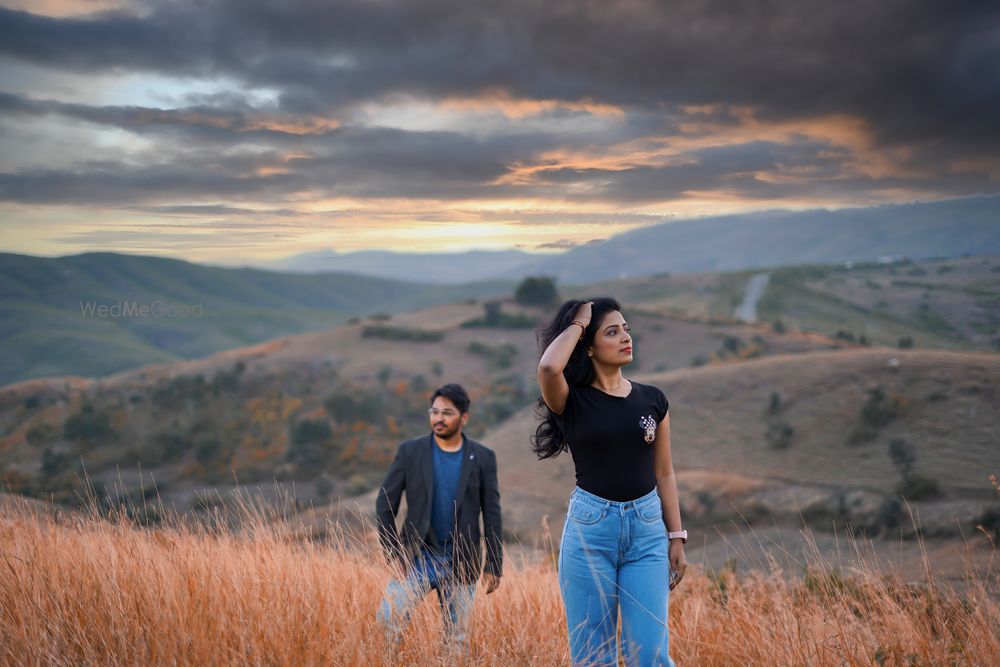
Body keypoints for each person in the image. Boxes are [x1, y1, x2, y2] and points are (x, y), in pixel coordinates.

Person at [534, 298, 687, 666]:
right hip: (591, 532)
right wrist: (578, 322)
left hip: (647, 532)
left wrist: (676, 535)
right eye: (612, 332)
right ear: (588, 346)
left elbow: (664, 472)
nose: (625, 338)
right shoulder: (570, 400)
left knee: (649, 654)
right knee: (592, 656)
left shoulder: (652, 400)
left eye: (626, 330)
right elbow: (550, 365)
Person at [375, 383, 503, 653]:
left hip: (462, 560)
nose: (438, 418)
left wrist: (494, 564)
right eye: (434, 412)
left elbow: (492, 515)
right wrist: (393, 552)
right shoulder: (411, 452)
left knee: (456, 640)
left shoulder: (482, 457)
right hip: (417, 558)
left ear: (464, 418)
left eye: (447, 412)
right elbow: (385, 502)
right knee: (388, 618)